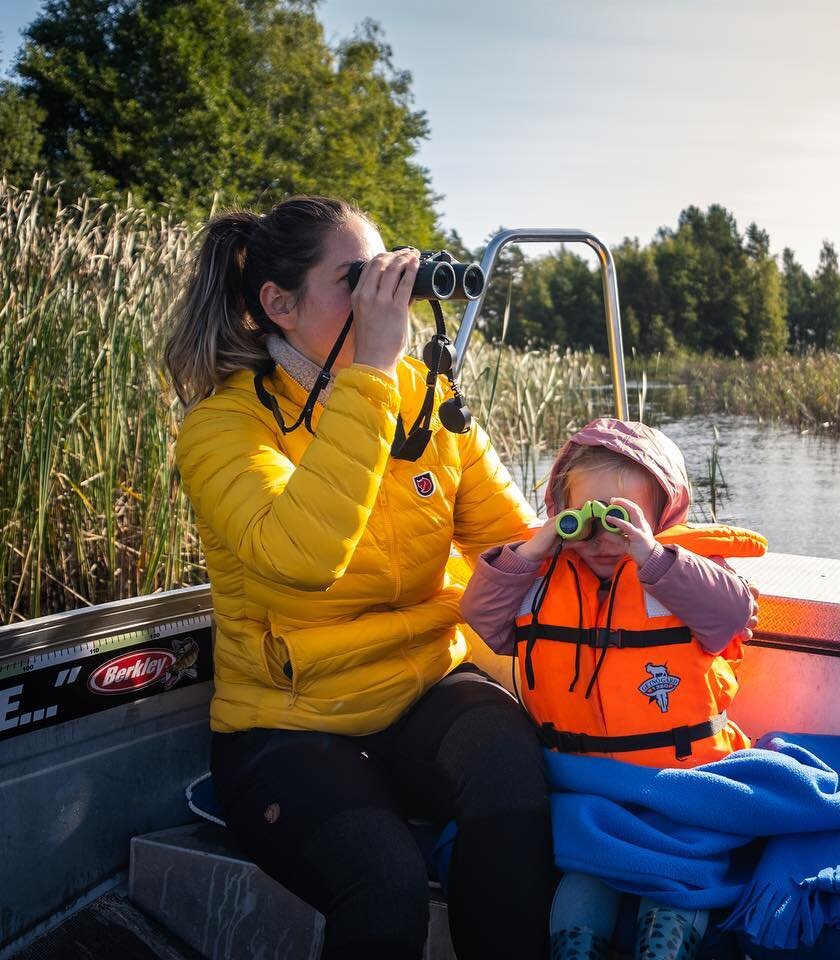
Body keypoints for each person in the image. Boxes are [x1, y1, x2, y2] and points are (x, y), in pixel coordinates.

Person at [163, 195, 554, 960]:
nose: (387, 296)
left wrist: (608, 523)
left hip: (418, 691)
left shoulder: (423, 396)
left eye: (387, 273)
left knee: (509, 771)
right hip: (286, 725)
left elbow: (510, 543)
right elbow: (302, 558)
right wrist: (370, 375)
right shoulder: (224, 426)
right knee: (385, 881)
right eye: (358, 280)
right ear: (279, 303)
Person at [460, 418, 765, 960]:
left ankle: (665, 945)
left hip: (680, 789)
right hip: (589, 794)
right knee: (583, 888)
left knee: (677, 885)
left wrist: (650, 557)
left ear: (662, 517)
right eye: (585, 521)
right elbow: (482, 616)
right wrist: (536, 547)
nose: (604, 539)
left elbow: (731, 616)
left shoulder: (686, 576)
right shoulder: (542, 579)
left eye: (623, 521)